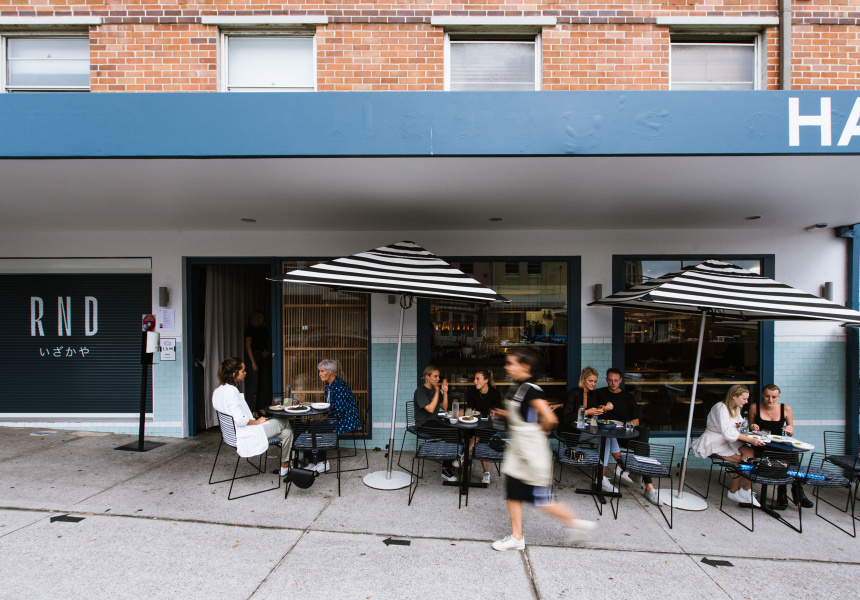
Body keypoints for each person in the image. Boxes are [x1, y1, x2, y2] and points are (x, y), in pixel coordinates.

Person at [491, 347, 596, 551]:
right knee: (512, 493)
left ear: (525, 366)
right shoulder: (518, 388)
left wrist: (532, 435)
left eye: (511, 363)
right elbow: (523, 416)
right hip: (519, 455)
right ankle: (516, 537)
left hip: (531, 456)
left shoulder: (531, 390)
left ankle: (579, 524)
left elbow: (550, 419)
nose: (507, 366)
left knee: (542, 501)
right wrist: (505, 415)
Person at [212, 357, 293, 477]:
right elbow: (240, 420)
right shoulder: (231, 392)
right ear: (234, 374)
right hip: (246, 434)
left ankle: (285, 467)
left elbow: (233, 414)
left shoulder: (218, 391)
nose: (245, 373)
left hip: (232, 435)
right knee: (284, 421)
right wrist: (258, 421)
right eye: (243, 371)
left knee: (287, 434)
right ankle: (294, 460)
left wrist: (253, 416)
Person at [691, 385, 766, 506]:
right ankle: (733, 491)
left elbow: (738, 426)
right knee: (744, 461)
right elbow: (727, 432)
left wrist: (751, 427)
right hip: (714, 440)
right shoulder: (720, 408)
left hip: (729, 440)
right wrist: (750, 440)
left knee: (751, 455)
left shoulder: (736, 408)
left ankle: (746, 490)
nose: (746, 402)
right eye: (744, 399)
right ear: (734, 396)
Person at [596, 368, 660, 505]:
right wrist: (603, 409)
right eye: (610, 380)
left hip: (623, 432)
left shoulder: (628, 397)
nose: (613, 383)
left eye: (616, 381)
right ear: (607, 380)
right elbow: (589, 408)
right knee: (642, 447)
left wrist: (626, 426)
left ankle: (639, 473)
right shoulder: (599, 393)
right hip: (607, 434)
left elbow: (636, 421)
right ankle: (647, 483)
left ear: (620, 381)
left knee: (643, 434)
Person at [749, 384, 811, 509]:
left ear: (778, 397)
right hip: (762, 444)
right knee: (783, 458)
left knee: (793, 455)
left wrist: (789, 429)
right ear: (762, 395)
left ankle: (795, 490)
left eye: (774, 397)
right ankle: (785, 494)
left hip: (778, 443)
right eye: (767, 396)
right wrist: (753, 426)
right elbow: (750, 425)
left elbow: (791, 431)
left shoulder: (786, 408)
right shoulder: (755, 407)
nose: (770, 400)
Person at [560, 366, 618, 493]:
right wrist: (586, 412)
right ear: (583, 380)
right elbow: (566, 418)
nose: (593, 384)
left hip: (585, 430)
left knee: (608, 438)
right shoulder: (573, 393)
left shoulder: (593, 394)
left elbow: (593, 414)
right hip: (572, 432)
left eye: (595, 381)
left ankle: (601, 477)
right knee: (607, 439)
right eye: (590, 381)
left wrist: (604, 409)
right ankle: (617, 468)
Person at [311, 359, 363, 473]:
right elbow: (329, 405)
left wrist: (324, 420)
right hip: (335, 416)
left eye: (322, 371)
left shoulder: (340, 386)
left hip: (346, 419)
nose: (319, 374)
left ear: (331, 372)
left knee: (317, 430)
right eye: (319, 371)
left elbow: (339, 411)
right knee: (310, 425)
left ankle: (323, 463)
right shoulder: (328, 385)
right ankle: (313, 461)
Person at [413, 365, 456, 482]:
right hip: (423, 424)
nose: (438, 378)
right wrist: (438, 391)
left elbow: (444, 407)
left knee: (457, 430)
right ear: (427, 377)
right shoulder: (420, 391)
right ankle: (446, 469)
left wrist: (445, 392)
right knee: (451, 433)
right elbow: (431, 409)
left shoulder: (435, 390)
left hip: (435, 421)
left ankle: (454, 460)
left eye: (438, 376)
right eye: (435, 376)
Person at [465, 370, 502, 484]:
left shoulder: (495, 394)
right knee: (477, 436)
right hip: (476, 425)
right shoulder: (472, 393)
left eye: (478, 379)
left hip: (491, 426)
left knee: (479, 436)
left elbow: (496, 413)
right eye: (474, 379)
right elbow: (470, 412)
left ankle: (464, 456)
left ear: (486, 380)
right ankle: (486, 472)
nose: (475, 381)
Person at [243, 310, 271, 414]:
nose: (262, 319)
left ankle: (261, 407)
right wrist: (253, 362)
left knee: (264, 383)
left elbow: (267, 343)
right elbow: (248, 346)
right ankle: (252, 410)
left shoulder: (264, 329)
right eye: (260, 317)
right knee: (253, 385)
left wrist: (267, 351)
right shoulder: (250, 329)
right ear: (256, 318)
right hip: (254, 356)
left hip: (263, 355)